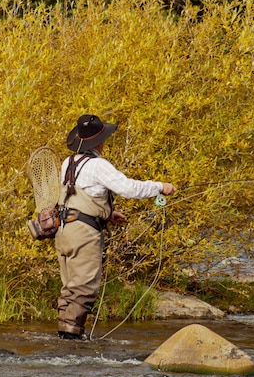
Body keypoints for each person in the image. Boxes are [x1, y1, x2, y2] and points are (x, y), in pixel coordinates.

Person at [55, 113, 176, 340]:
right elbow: (129, 189)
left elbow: (78, 197)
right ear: (99, 141)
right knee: (84, 289)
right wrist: (160, 187)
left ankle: (65, 337)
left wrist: (108, 214)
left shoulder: (68, 162)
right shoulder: (98, 165)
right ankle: (71, 343)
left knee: (70, 287)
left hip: (64, 230)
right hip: (84, 234)